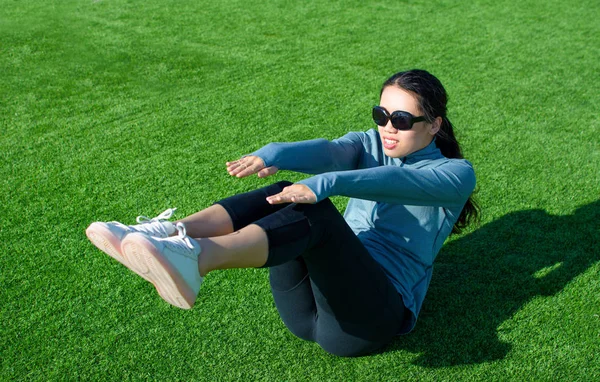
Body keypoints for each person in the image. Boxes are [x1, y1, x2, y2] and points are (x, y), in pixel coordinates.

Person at [86, 69, 478, 357]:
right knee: (286, 192)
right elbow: (331, 151)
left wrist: (328, 182)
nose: (388, 128)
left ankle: (197, 259)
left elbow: (392, 184)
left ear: (434, 125)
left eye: (403, 120)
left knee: (318, 211)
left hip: (365, 323)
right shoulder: (371, 144)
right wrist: (275, 152)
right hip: (304, 306)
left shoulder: (454, 175)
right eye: (381, 115)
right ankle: (169, 233)